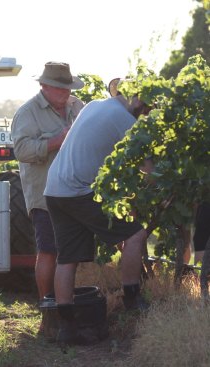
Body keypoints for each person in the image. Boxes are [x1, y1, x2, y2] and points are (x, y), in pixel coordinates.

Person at [43, 78, 152, 346]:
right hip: (79, 192)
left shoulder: (92, 106)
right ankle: (132, 299)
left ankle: (66, 328)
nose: (145, 111)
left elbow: (97, 150)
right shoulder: (123, 119)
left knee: (67, 258)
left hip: (55, 189)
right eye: (145, 105)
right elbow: (147, 168)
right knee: (136, 235)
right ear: (136, 98)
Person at [11, 61, 84, 314]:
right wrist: (58, 141)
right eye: (60, 89)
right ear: (44, 86)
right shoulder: (27, 113)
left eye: (68, 89)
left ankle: (64, 300)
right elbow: (21, 151)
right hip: (44, 194)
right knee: (49, 249)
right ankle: (47, 304)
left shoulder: (77, 107)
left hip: (74, 191)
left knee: (70, 249)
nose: (65, 94)